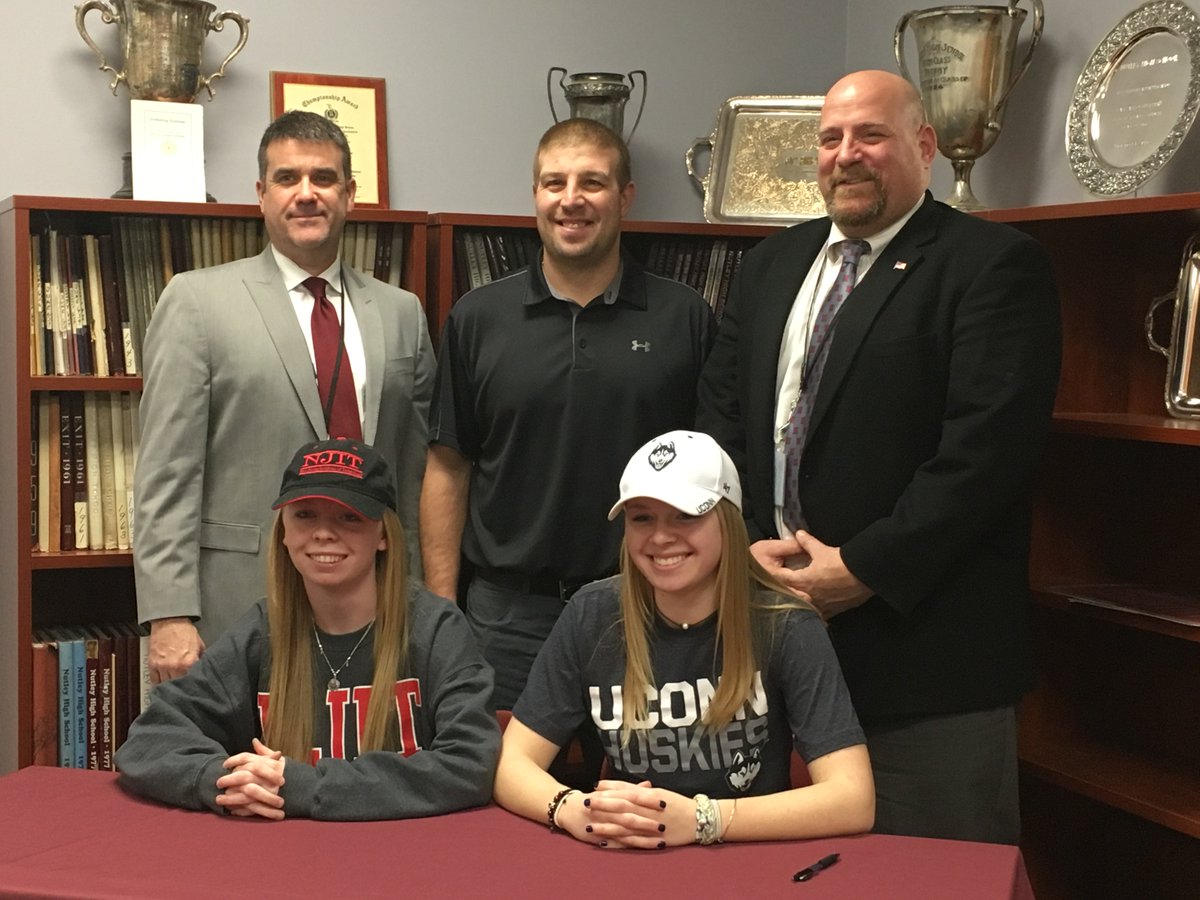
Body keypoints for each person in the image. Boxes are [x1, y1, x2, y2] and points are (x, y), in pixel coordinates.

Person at [696, 70, 1062, 844]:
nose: (846, 154)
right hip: (776, 644)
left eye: (871, 135)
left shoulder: (993, 265)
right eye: (830, 138)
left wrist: (861, 568)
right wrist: (744, 546)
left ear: (924, 146)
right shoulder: (770, 266)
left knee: (931, 878)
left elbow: (985, 457)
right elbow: (721, 421)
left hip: (925, 663)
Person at [421, 118, 714, 709]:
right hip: (505, 619)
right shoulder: (478, 318)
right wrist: (442, 610)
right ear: (535, 194)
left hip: (646, 603)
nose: (571, 199)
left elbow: (712, 477)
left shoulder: (685, 318)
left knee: (644, 769)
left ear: (625, 197)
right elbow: (449, 468)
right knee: (498, 765)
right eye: (554, 183)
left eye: (592, 183)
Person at [134, 110, 434, 683]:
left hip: (376, 601)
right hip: (238, 600)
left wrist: (417, 593)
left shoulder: (403, 314)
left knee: (362, 740)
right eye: (287, 178)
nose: (306, 193)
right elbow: (166, 473)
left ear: (350, 194)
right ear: (261, 194)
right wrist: (169, 613)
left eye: (324, 178)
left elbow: (415, 475)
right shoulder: (197, 302)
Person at [493, 430, 873, 847]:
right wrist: (572, 809)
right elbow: (511, 763)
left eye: (685, 516)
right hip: (630, 856)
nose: (660, 537)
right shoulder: (591, 615)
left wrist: (701, 820)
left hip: (751, 856)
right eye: (642, 518)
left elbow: (852, 799)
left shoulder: (786, 622)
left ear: (728, 520)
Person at [116, 438, 499, 820]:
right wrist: (225, 780)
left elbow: (471, 764)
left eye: (349, 517)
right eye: (305, 515)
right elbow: (148, 741)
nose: (323, 533)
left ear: (383, 534)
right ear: (283, 531)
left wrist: (301, 787)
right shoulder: (262, 631)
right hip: (290, 851)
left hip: (406, 846)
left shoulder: (436, 629)